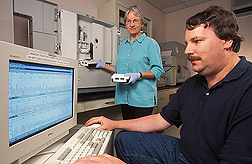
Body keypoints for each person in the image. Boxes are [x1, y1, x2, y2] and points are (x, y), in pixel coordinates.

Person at [75, 5, 252, 164]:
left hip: (201, 157)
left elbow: (157, 70)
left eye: (197, 41)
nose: (187, 51)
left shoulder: (247, 88)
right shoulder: (192, 84)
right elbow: (161, 119)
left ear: (227, 40)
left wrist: (139, 75)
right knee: (123, 138)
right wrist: (114, 123)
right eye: (187, 43)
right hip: (183, 151)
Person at [91, 5, 164, 120]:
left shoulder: (151, 43)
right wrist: (103, 65)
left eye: (135, 21)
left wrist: (139, 75)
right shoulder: (122, 46)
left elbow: (158, 71)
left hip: (142, 99)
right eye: (128, 21)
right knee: (128, 132)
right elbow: (120, 69)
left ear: (142, 24)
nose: (132, 24)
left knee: (140, 135)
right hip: (124, 96)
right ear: (125, 24)